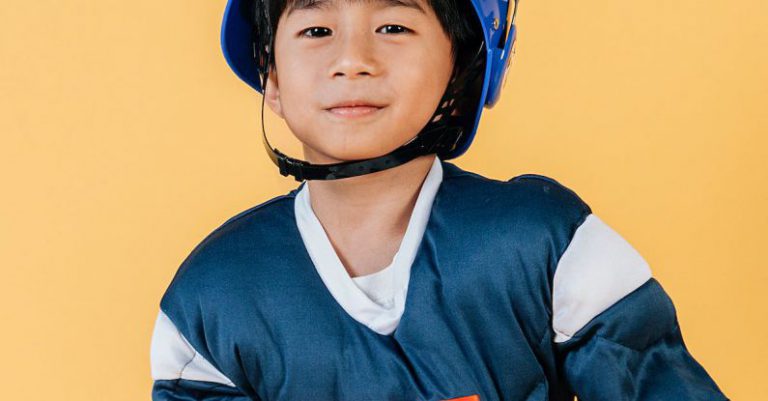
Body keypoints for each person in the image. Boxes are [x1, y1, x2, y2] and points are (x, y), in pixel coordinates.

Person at [149, 0, 730, 399]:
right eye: (317, 29)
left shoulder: (546, 244)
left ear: (464, 66)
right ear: (270, 75)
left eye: (394, 27)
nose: (352, 60)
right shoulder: (214, 296)